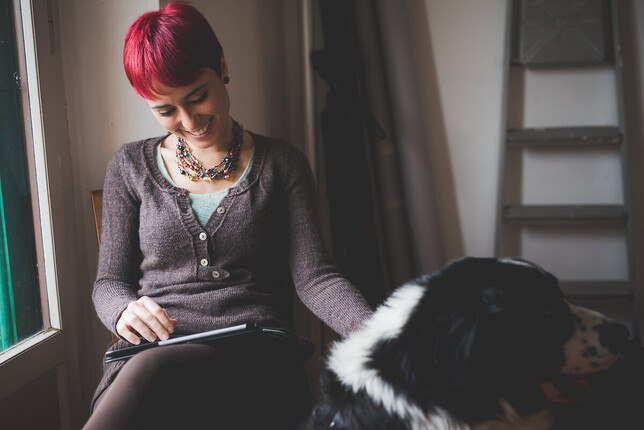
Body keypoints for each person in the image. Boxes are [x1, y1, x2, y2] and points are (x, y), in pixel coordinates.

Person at [82, 2, 373, 429]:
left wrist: (376, 334)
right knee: (149, 372)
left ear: (221, 64)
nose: (188, 121)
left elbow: (316, 278)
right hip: (153, 355)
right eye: (166, 111)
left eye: (198, 96)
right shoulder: (129, 166)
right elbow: (109, 283)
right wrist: (123, 311)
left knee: (152, 375)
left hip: (255, 354)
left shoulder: (282, 164)